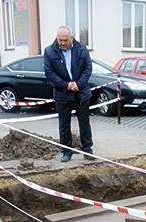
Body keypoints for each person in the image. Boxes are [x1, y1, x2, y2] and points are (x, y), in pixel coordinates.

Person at [44, 26, 95, 162]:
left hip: (81, 93)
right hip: (62, 94)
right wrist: (66, 85)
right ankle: (66, 151)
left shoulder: (82, 49)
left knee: (84, 123)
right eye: (60, 40)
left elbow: (88, 68)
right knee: (64, 125)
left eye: (65, 40)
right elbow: (49, 73)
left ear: (71, 38)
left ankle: (88, 150)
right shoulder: (49, 51)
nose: (62, 43)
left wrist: (79, 84)